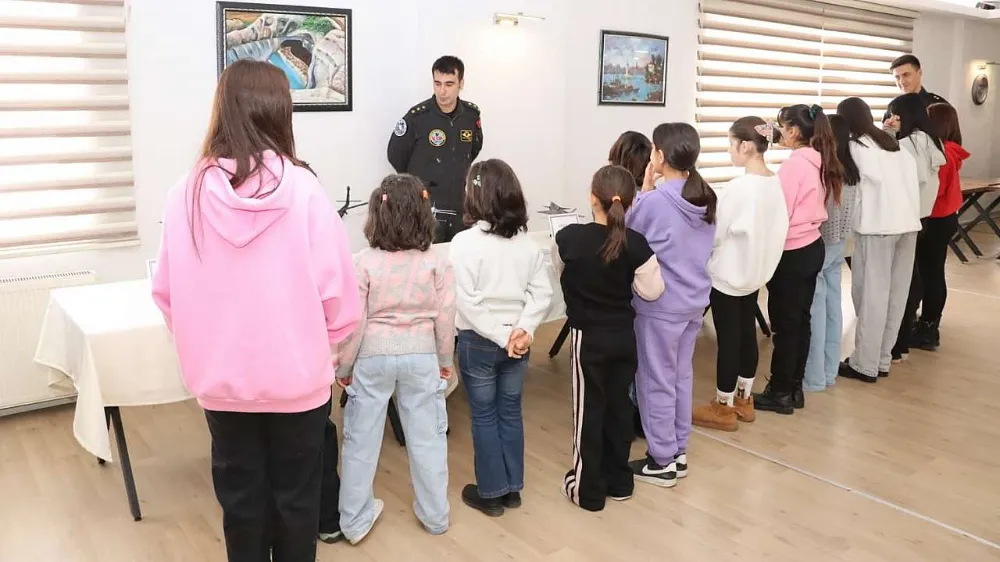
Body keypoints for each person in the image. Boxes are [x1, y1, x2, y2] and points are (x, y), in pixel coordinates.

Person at [151, 60, 361, 562]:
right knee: (297, 502)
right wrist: (328, 349)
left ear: (222, 110)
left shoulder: (185, 194)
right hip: (299, 382)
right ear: (280, 112)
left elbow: (166, 293)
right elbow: (341, 297)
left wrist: (205, 346)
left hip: (221, 385)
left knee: (241, 503)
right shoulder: (306, 191)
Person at [335, 175, 456, 543]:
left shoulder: (363, 262)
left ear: (378, 213)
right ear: (424, 212)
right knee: (428, 438)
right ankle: (435, 515)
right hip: (421, 355)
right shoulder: (437, 262)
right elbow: (446, 317)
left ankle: (354, 520)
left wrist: (345, 366)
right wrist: (445, 360)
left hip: (373, 357)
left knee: (360, 439)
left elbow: (355, 321)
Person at [553, 165, 664, 511]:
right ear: (629, 203)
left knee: (588, 411)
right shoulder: (637, 244)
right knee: (619, 408)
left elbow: (561, 271)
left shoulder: (569, 238)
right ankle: (620, 482)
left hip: (588, 339)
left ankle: (587, 491)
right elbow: (653, 291)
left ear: (592, 199)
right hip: (623, 339)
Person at [449, 159, 553, 516]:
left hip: (479, 342)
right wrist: (523, 331)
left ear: (475, 196)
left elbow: (467, 301)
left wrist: (502, 335)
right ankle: (512, 489)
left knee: (484, 415)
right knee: (510, 412)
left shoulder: (463, 243)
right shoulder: (527, 244)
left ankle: (491, 493)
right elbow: (542, 294)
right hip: (517, 343)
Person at [625, 123, 717, 487]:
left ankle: (661, 460)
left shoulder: (655, 201)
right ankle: (677, 450)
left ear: (660, 155)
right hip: (694, 302)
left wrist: (645, 191)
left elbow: (627, 235)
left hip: (660, 306)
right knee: (680, 377)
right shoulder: (705, 196)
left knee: (655, 382)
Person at [692, 117, 788, 431]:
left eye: (731, 144)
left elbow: (716, 234)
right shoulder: (774, 183)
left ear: (746, 146)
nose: (729, 150)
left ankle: (723, 406)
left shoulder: (738, 188)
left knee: (729, 340)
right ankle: (744, 399)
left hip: (729, 275)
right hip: (755, 273)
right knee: (747, 334)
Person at [754, 104, 843, 414]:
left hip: (791, 252)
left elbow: (781, 213)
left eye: (783, 127)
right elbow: (772, 133)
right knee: (800, 322)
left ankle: (779, 392)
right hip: (811, 246)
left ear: (793, 131)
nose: (779, 131)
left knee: (785, 326)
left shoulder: (795, 166)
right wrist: (770, 130)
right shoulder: (819, 158)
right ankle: (793, 388)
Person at [835, 97, 921, 383]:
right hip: (908, 226)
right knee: (896, 296)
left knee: (871, 296)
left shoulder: (856, 147)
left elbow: (854, 193)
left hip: (877, 228)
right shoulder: (894, 145)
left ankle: (865, 364)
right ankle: (882, 359)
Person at [387, 55, 483, 243]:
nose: (442, 91)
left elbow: (474, 149)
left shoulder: (471, 115)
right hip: (425, 206)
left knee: (457, 255)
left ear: (461, 83)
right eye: (437, 84)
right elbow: (395, 154)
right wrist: (419, 181)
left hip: (458, 205)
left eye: (449, 84)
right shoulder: (418, 116)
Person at [889, 93, 947, 362]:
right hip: (924, 216)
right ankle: (903, 340)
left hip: (906, 218)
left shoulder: (908, 145)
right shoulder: (932, 140)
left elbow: (905, 182)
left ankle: (897, 343)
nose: (892, 120)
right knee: (916, 278)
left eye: (895, 115)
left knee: (904, 283)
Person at [802, 115, 857, 392]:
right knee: (833, 307)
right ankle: (828, 371)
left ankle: (814, 377)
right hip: (840, 245)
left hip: (820, 244)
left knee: (816, 311)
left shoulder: (824, 171)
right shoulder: (851, 170)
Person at [606, 130, 654, 439]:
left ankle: (627, 415)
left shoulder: (625, 197)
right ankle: (637, 415)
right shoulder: (647, 196)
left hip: (621, 286)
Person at [910, 103, 969, 351]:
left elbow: (934, 190)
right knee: (932, 272)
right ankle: (928, 324)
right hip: (945, 218)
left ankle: (928, 328)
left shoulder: (942, 154)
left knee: (929, 274)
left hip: (934, 219)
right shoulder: (951, 150)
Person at [883, 54, 949, 128]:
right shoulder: (893, 106)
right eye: (897, 77)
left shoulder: (938, 106)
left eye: (906, 75)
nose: (902, 82)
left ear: (919, 73)